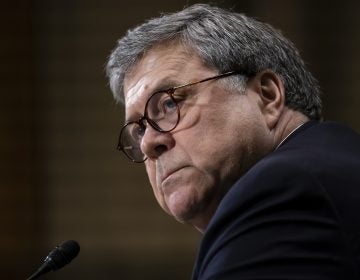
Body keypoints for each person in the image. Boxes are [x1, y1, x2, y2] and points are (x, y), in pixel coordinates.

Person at [106, 3, 360, 279]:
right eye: (139, 129)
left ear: (267, 96)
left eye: (169, 103)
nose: (148, 143)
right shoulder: (327, 163)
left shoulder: (283, 188)